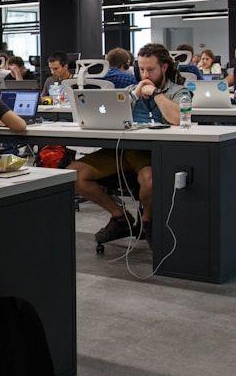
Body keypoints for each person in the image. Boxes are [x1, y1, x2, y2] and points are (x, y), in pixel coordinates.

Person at [69, 44, 185, 245]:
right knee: (74, 174)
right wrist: (134, 95)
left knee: (149, 181)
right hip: (124, 150)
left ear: (164, 67)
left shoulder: (178, 91)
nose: (145, 74)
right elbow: (110, 116)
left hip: (153, 152)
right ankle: (120, 217)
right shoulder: (131, 90)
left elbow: (177, 119)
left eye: (151, 69)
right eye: (142, 69)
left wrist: (156, 93)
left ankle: (147, 221)